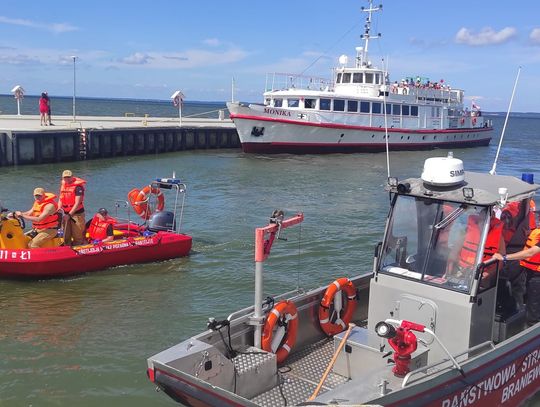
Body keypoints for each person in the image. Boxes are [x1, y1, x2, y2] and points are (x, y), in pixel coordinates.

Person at [493, 226, 540, 326]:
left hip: (537, 276)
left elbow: (530, 253)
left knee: (533, 313)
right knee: (529, 303)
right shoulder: (537, 230)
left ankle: (532, 336)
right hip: (530, 271)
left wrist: (504, 257)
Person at [58, 169, 87, 246]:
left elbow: (77, 203)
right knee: (66, 234)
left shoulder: (78, 187)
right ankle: (67, 248)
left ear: (72, 177)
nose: (67, 179)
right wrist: (58, 210)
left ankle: (79, 246)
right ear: (62, 178)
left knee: (77, 234)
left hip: (77, 213)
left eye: (68, 177)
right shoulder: (63, 185)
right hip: (66, 213)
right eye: (65, 177)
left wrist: (69, 215)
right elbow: (61, 199)